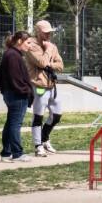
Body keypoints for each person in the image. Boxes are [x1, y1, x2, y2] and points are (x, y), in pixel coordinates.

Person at [23, 19, 65, 157]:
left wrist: (50, 64)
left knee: (57, 115)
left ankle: (45, 138)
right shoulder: (31, 45)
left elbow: (60, 65)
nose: (48, 35)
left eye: (50, 32)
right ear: (38, 32)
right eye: (46, 32)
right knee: (38, 116)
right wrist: (47, 52)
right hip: (38, 86)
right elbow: (41, 62)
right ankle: (38, 145)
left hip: (52, 85)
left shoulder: (52, 46)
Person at [0, 31, 33, 162]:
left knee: (10, 124)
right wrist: (26, 90)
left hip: (11, 93)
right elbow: (15, 78)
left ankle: (6, 153)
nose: (30, 46)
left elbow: (0, 75)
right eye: (28, 43)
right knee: (15, 124)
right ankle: (17, 153)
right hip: (17, 95)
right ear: (19, 41)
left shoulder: (11, 54)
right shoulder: (13, 56)